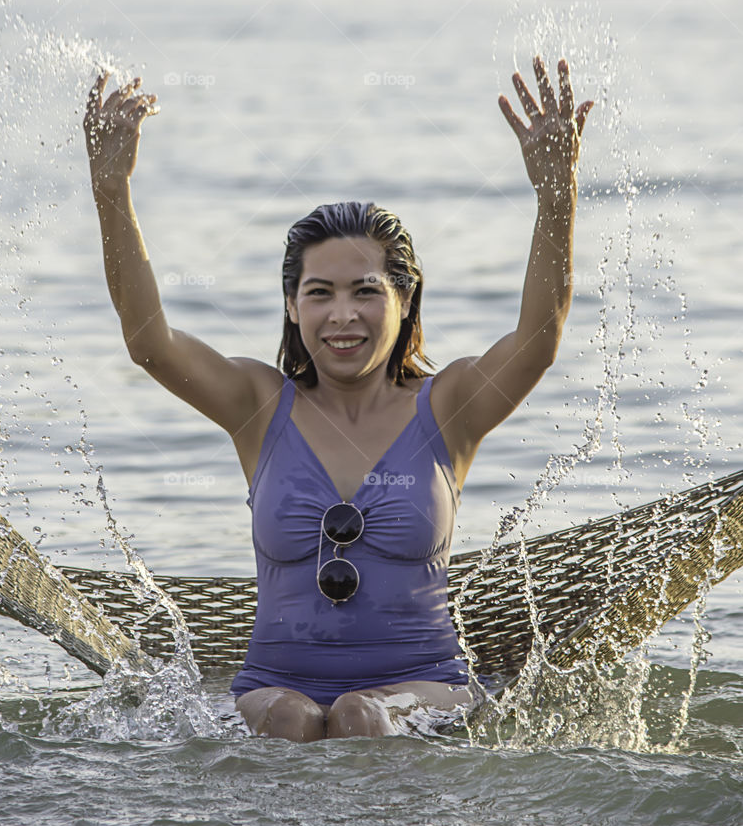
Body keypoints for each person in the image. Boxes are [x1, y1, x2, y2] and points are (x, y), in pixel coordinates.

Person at [83, 55, 593, 742]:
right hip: (272, 691)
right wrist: (110, 186)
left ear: (404, 300)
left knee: (361, 715)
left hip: (423, 687)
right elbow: (149, 342)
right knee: (295, 717)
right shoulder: (257, 405)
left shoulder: (449, 406)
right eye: (318, 293)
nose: (342, 316)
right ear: (292, 308)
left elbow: (537, 338)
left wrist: (555, 197)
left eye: (365, 292)